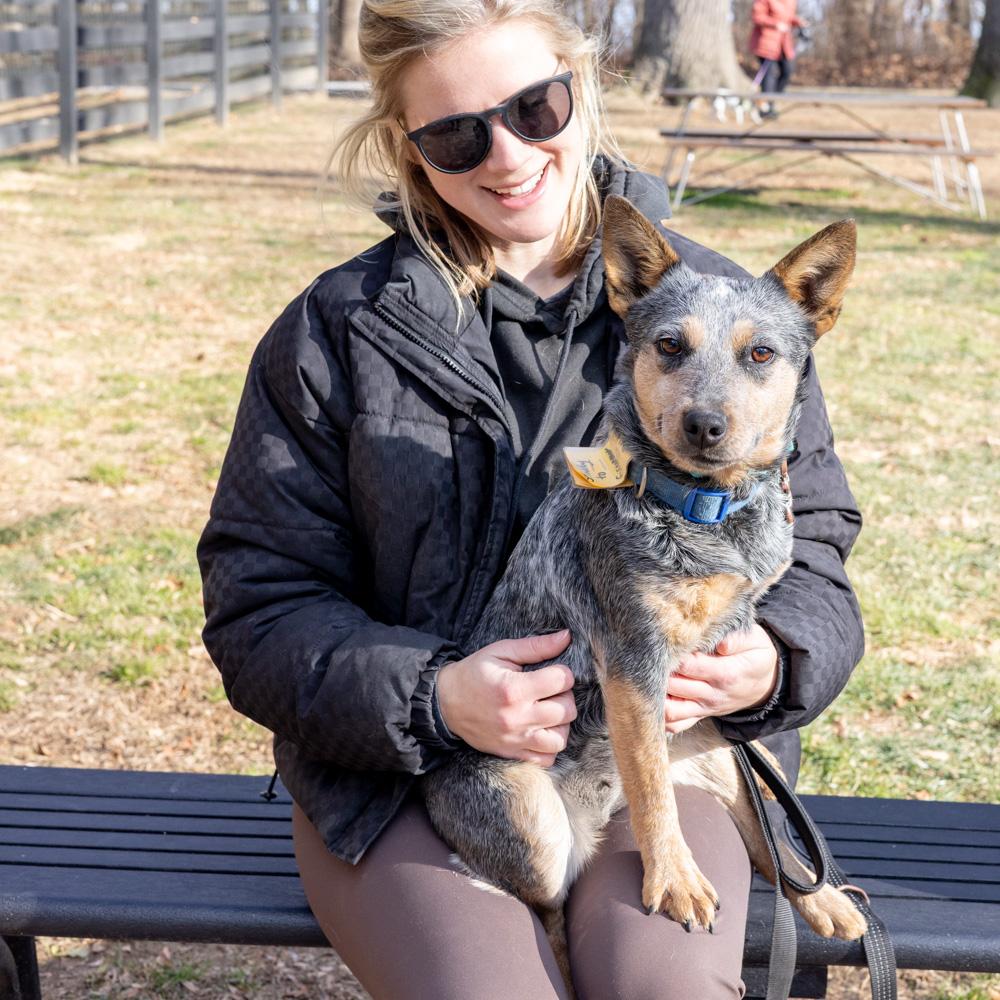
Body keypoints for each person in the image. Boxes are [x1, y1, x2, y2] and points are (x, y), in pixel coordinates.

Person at [197, 1, 864, 996]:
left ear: (578, 90)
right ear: (407, 145)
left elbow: (812, 546)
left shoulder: (721, 313)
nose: (506, 155)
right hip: (404, 779)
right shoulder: (335, 333)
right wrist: (434, 695)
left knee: (664, 987)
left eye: (535, 107)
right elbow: (258, 605)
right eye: (457, 133)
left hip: (666, 758)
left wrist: (777, 658)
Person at [750, 0, 807, 112]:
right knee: (769, 74)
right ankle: (766, 107)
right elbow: (757, 17)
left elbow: (787, 17)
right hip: (766, 42)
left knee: (787, 71)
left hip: (784, 43)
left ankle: (772, 100)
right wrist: (775, 24)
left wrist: (797, 21)